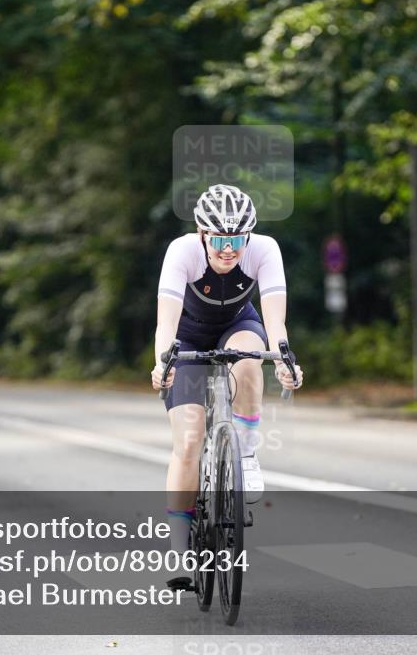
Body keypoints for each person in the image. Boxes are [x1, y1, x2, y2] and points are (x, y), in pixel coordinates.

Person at [151, 184, 303, 589]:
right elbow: (165, 321)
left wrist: (286, 358)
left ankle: (247, 453)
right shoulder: (181, 252)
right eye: (219, 239)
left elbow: (275, 321)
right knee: (187, 441)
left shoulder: (264, 249)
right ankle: (180, 549)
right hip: (186, 336)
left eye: (237, 239)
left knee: (250, 358)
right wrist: (162, 363)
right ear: (202, 233)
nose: (228, 249)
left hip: (239, 325)